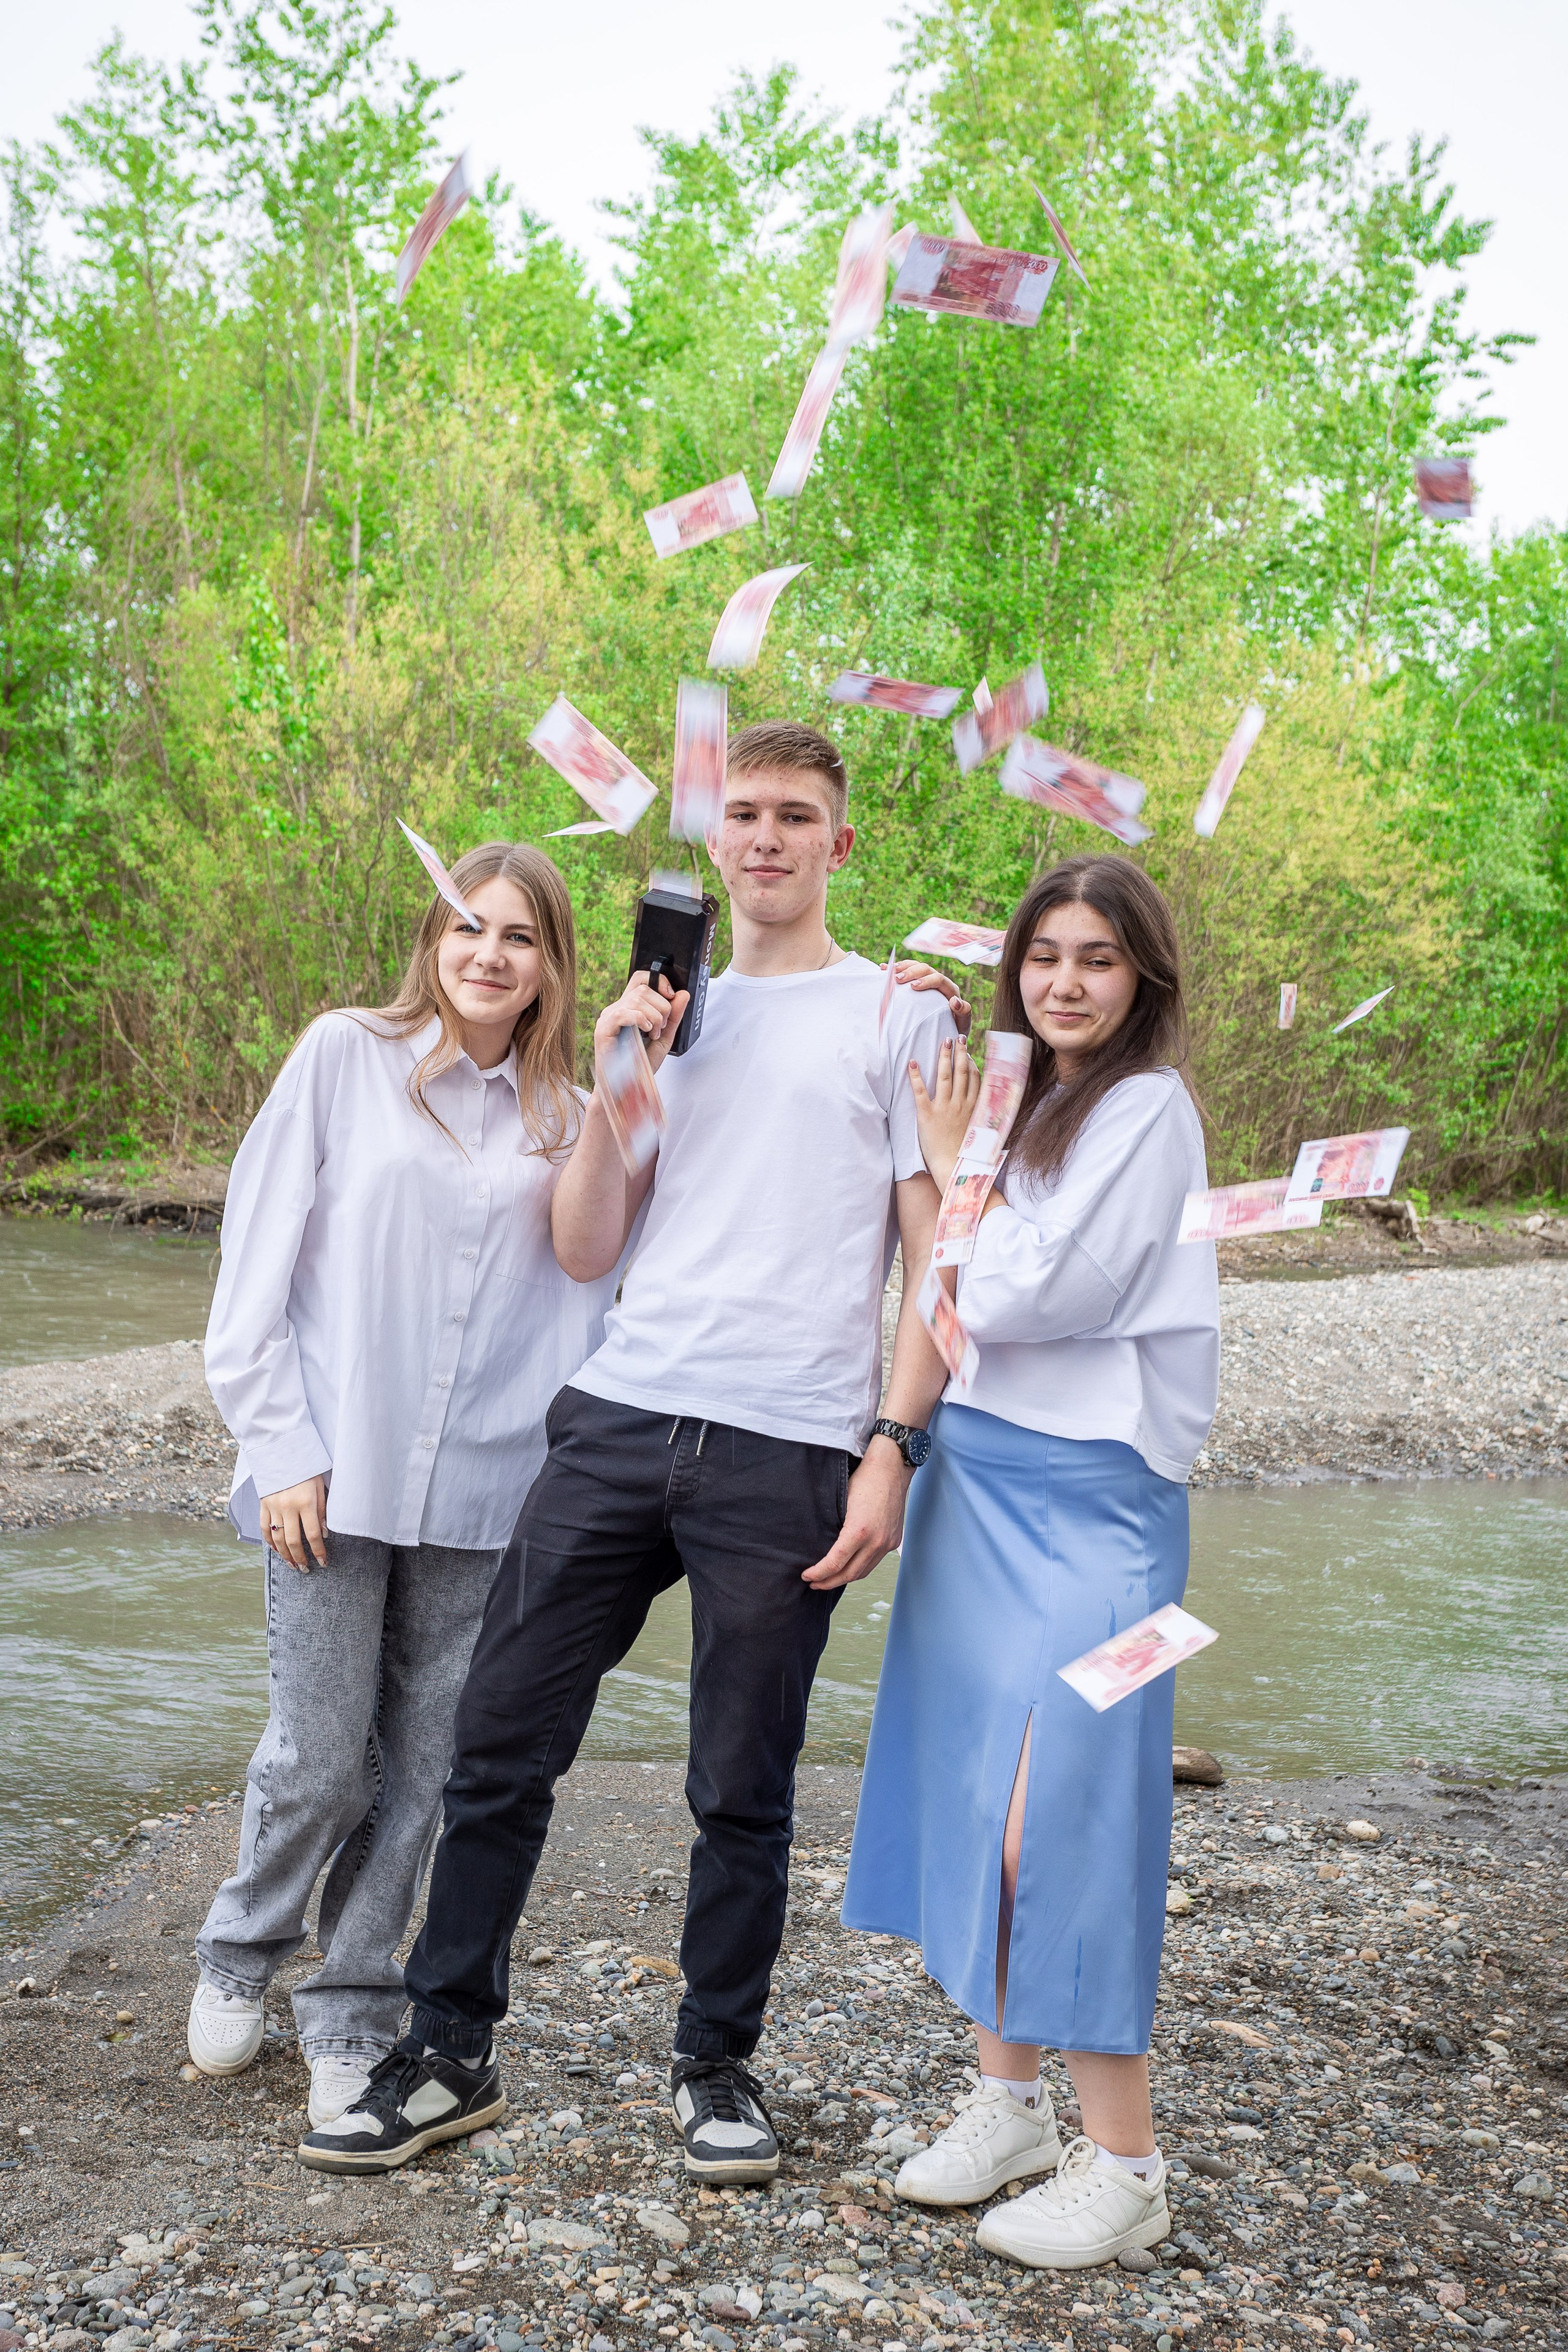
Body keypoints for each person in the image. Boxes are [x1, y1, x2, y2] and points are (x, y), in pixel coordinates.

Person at [296, 719, 959, 2178]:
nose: (767, 838)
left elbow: (938, 1258)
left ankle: (716, 2068)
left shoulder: (896, 1018)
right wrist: (619, 1081)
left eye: (796, 816)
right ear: (710, 850)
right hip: (617, 1417)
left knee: (740, 1781)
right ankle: (446, 2049)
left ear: (836, 846)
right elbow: (586, 1241)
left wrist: (893, 1445)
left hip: (788, 1444)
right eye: (743, 817)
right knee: (497, 1744)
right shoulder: (663, 1021)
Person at [192, 843, 619, 2132]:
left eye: (519, 937)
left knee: (427, 1769)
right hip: (326, 1472)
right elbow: (253, 1266)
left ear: (550, 964)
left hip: (493, 1491)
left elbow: (598, 1297)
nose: (489, 955)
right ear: (432, 940)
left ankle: (355, 2008)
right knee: (324, 1758)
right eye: (467, 929)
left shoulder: (572, 1115)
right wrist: (281, 1446)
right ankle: (239, 1950)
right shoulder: (342, 1057)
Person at [842, 854, 1221, 2270]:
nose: (1065, 981)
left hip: (1108, 1513)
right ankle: (1007, 2104)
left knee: (1058, 1813)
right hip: (979, 1487)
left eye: (1098, 960)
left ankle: (1125, 2170)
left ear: (1142, 979)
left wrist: (951, 1173)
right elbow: (944, 1296)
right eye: (1045, 955)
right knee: (967, 1792)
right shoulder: (1028, 1097)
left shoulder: (1148, 1112)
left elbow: (1038, 1291)